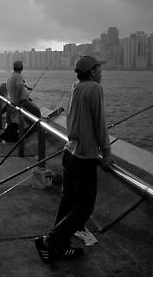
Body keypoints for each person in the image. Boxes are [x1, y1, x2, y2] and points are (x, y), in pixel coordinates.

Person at [34, 56, 113, 263]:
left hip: (69, 153)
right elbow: (100, 123)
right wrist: (106, 151)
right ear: (91, 71)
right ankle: (50, 241)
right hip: (83, 158)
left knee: (68, 201)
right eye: (99, 68)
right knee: (84, 207)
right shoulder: (94, 88)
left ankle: (59, 246)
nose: (101, 72)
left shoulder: (76, 86)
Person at [6, 60, 41, 130]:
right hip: (21, 100)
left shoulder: (12, 75)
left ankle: (32, 126)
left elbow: (20, 85)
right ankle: (35, 128)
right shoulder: (18, 76)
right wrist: (18, 101)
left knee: (28, 113)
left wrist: (26, 87)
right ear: (22, 68)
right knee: (37, 111)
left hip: (14, 99)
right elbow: (19, 88)